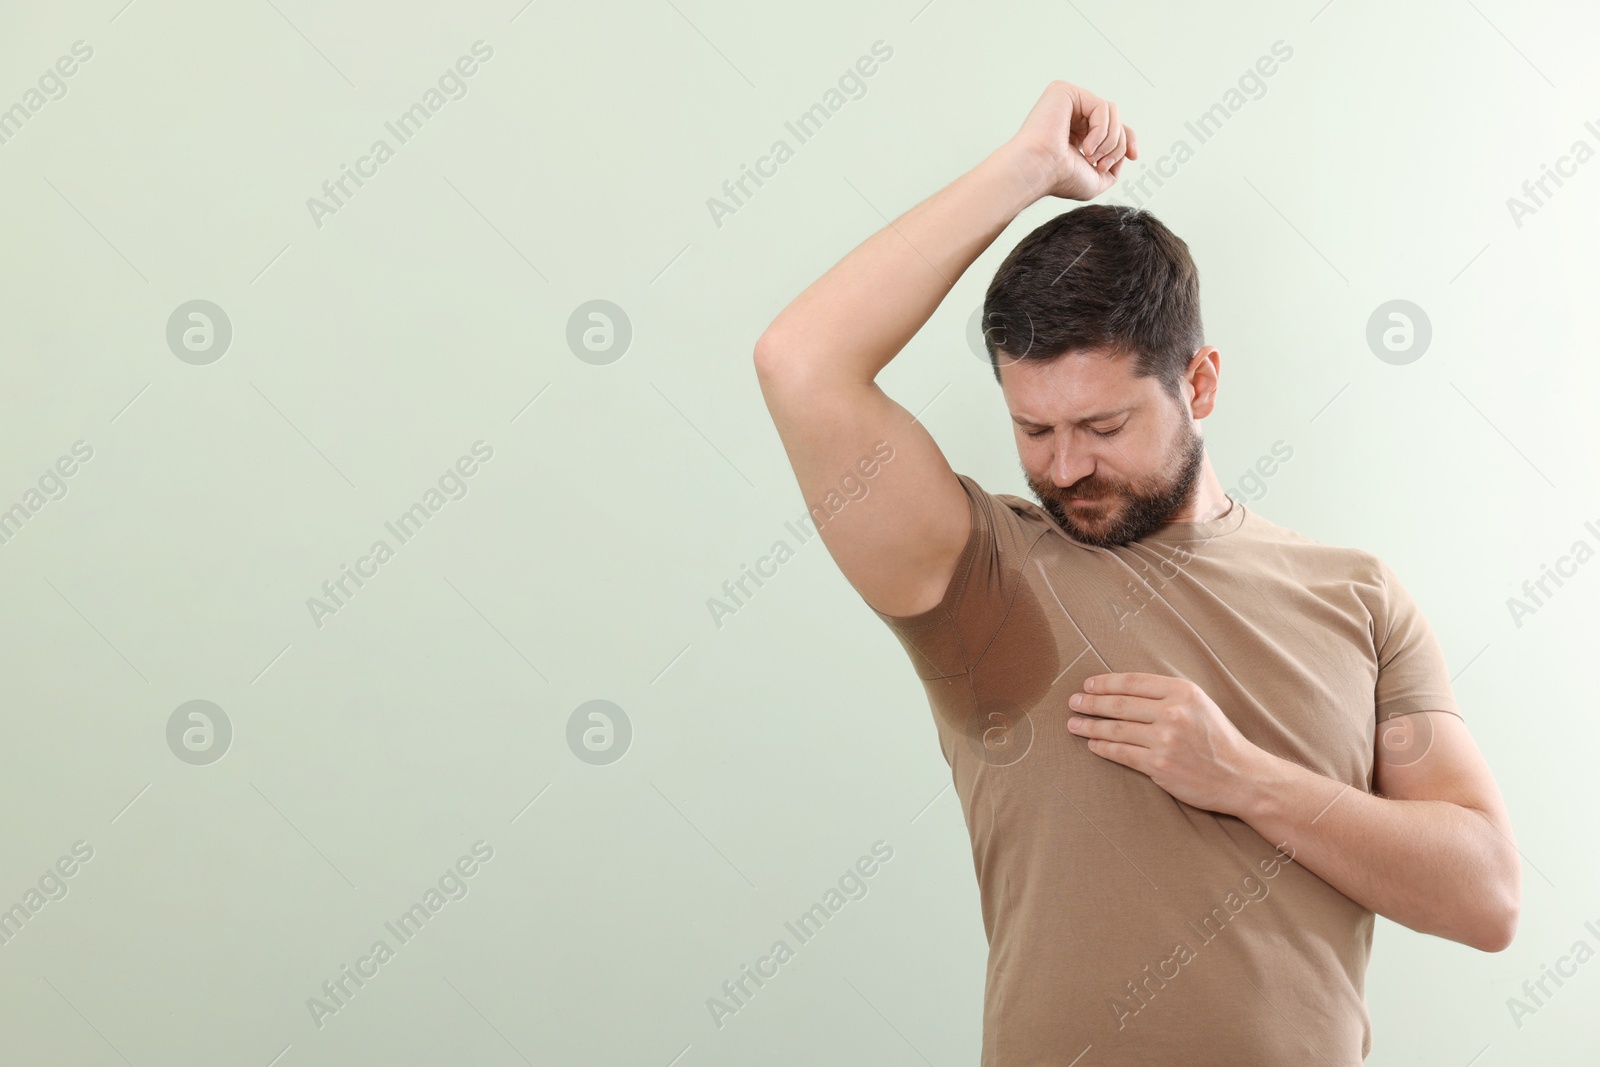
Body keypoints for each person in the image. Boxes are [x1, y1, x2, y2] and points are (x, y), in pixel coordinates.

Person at [752, 80, 1519, 1065]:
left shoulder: (1357, 594)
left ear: (1197, 382)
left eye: (1102, 426)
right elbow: (799, 361)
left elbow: (1485, 891)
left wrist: (1238, 774)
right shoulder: (981, 580)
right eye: (1033, 428)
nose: (1064, 466)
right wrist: (1026, 171)